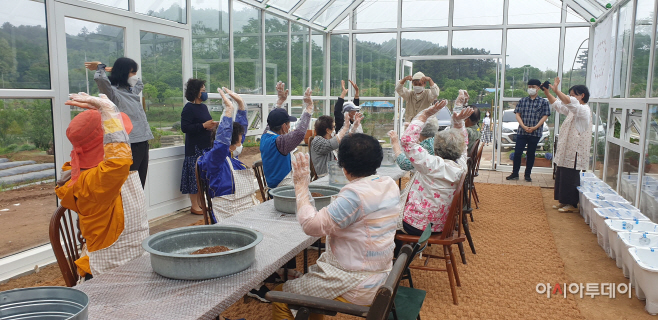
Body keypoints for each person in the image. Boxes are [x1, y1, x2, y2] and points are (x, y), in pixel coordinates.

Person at [272, 134, 400, 320]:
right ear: (377, 162)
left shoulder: (355, 195)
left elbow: (311, 226)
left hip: (357, 282)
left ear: (344, 168)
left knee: (281, 295)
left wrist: (300, 186)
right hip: (381, 276)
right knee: (311, 289)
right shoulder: (389, 184)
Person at [57, 92, 148, 278]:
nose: (125, 140)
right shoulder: (93, 181)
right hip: (108, 273)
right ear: (105, 145)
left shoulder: (92, 171)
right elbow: (119, 162)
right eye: (119, 136)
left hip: (130, 262)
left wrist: (103, 116)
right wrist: (109, 113)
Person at [197, 87, 272, 302]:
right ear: (229, 143)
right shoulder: (214, 158)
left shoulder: (230, 154)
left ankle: (265, 271)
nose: (241, 143)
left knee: (269, 228)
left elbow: (238, 134)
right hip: (227, 211)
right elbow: (223, 143)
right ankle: (254, 284)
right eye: (238, 140)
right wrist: (227, 112)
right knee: (254, 236)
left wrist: (241, 107)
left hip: (244, 206)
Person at [394, 90, 474, 256]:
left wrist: (424, 114)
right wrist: (458, 121)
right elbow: (463, 142)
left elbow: (407, 141)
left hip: (416, 225)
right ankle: (409, 252)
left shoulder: (431, 164)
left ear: (435, 148)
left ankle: (398, 260)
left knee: (380, 216)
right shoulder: (461, 166)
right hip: (441, 224)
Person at [85, 59, 153, 188]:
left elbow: (140, 83)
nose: (135, 76)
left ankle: (137, 207)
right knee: (129, 184)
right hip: (129, 143)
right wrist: (101, 68)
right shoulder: (113, 93)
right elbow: (101, 81)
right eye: (132, 72)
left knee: (140, 181)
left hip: (143, 141)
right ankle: (125, 208)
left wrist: (114, 70)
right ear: (123, 73)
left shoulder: (131, 91)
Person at [543, 78, 592, 213]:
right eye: (570, 95)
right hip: (566, 149)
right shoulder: (573, 109)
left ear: (582, 96)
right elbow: (558, 105)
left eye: (574, 94)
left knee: (571, 177)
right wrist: (548, 93)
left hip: (575, 151)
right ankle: (563, 201)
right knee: (562, 175)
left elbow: (569, 103)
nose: (571, 97)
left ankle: (571, 203)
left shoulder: (584, 110)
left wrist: (557, 90)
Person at [260, 82, 313, 188]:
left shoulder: (264, 136)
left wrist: (279, 102)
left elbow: (271, 121)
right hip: (282, 188)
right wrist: (309, 108)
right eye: (288, 124)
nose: (289, 127)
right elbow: (299, 133)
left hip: (272, 185)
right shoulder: (280, 142)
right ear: (284, 126)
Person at [180, 79, 217, 215]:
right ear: (196, 92)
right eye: (203, 90)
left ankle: (202, 203)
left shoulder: (203, 107)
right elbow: (185, 128)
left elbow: (205, 124)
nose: (205, 93)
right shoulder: (188, 108)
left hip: (205, 146)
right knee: (193, 177)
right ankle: (194, 205)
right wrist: (202, 126)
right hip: (194, 148)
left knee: (203, 177)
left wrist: (211, 126)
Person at [506, 79, 551, 182]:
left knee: (530, 154)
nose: (531, 88)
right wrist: (523, 126)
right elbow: (517, 114)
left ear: (538, 88)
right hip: (522, 131)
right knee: (517, 153)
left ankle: (527, 175)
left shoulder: (543, 102)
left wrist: (535, 127)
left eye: (533, 86)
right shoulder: (523, 100)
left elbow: (545, 116)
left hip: (535, 132)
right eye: (529, 86)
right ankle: (515, 173)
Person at [309, 112, 359, 176]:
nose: (334, 129)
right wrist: (346, 127)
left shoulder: (330, 139)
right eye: (333, 127)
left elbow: (345, 138)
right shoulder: (317, 141)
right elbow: (331, 144)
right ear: (328, 130)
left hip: (337, 177)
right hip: (325, 180)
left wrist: (354, 127)